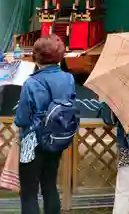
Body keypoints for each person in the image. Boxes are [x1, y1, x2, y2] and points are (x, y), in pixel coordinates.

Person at [15, 34, 76, 214]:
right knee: (49, 187)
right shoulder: (69, 79)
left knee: (29, 192)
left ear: (36, 56)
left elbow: (22, 119)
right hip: (57, 138)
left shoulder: (31, 82)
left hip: (32, 142)